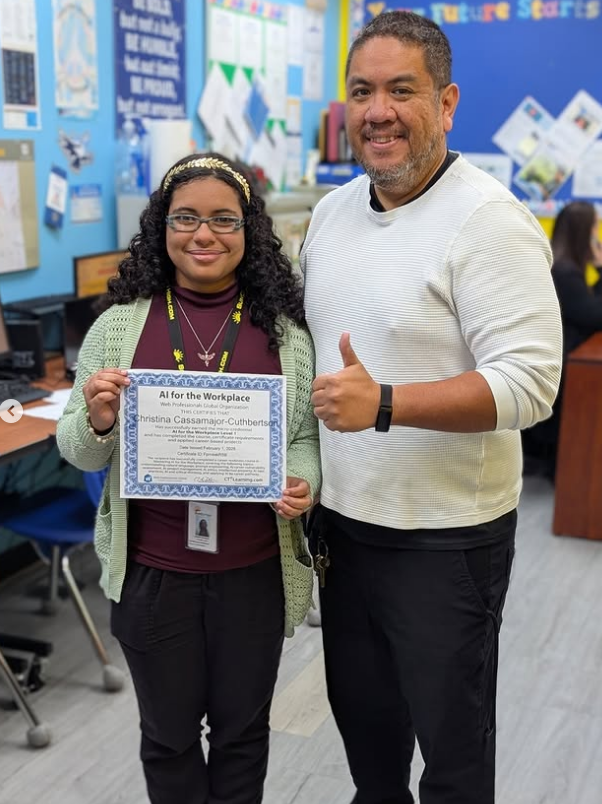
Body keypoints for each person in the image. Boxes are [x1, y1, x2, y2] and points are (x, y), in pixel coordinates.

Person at [300, 11, 562, 804]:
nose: (377, 111)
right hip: (345, 528)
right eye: (361, 92)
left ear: (446, 104)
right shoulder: (329, 215)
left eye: (401, 90)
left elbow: (530, 384)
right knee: (370, 751)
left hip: (447, 542)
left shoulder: (489, 220)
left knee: (453, 763)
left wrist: (384, 403)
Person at [56, 153, 320, 804]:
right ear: (163, 226)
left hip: (254, 576)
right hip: (153, 576)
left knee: (242, 736)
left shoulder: (287, 335)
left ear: (249, 229)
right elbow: (78, 452)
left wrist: (301, 481)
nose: (204, 234)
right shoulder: (118, 326)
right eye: (186, 218)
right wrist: (98, 420)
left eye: (224, 219)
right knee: (168, 739)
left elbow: (305, 439)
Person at [523, 200, 602, 478]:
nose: (597, 237)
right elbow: (594, 316)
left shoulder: (564, 267)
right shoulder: (564, 272)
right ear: (583, 234)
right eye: (594, 230)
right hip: (561, 364)